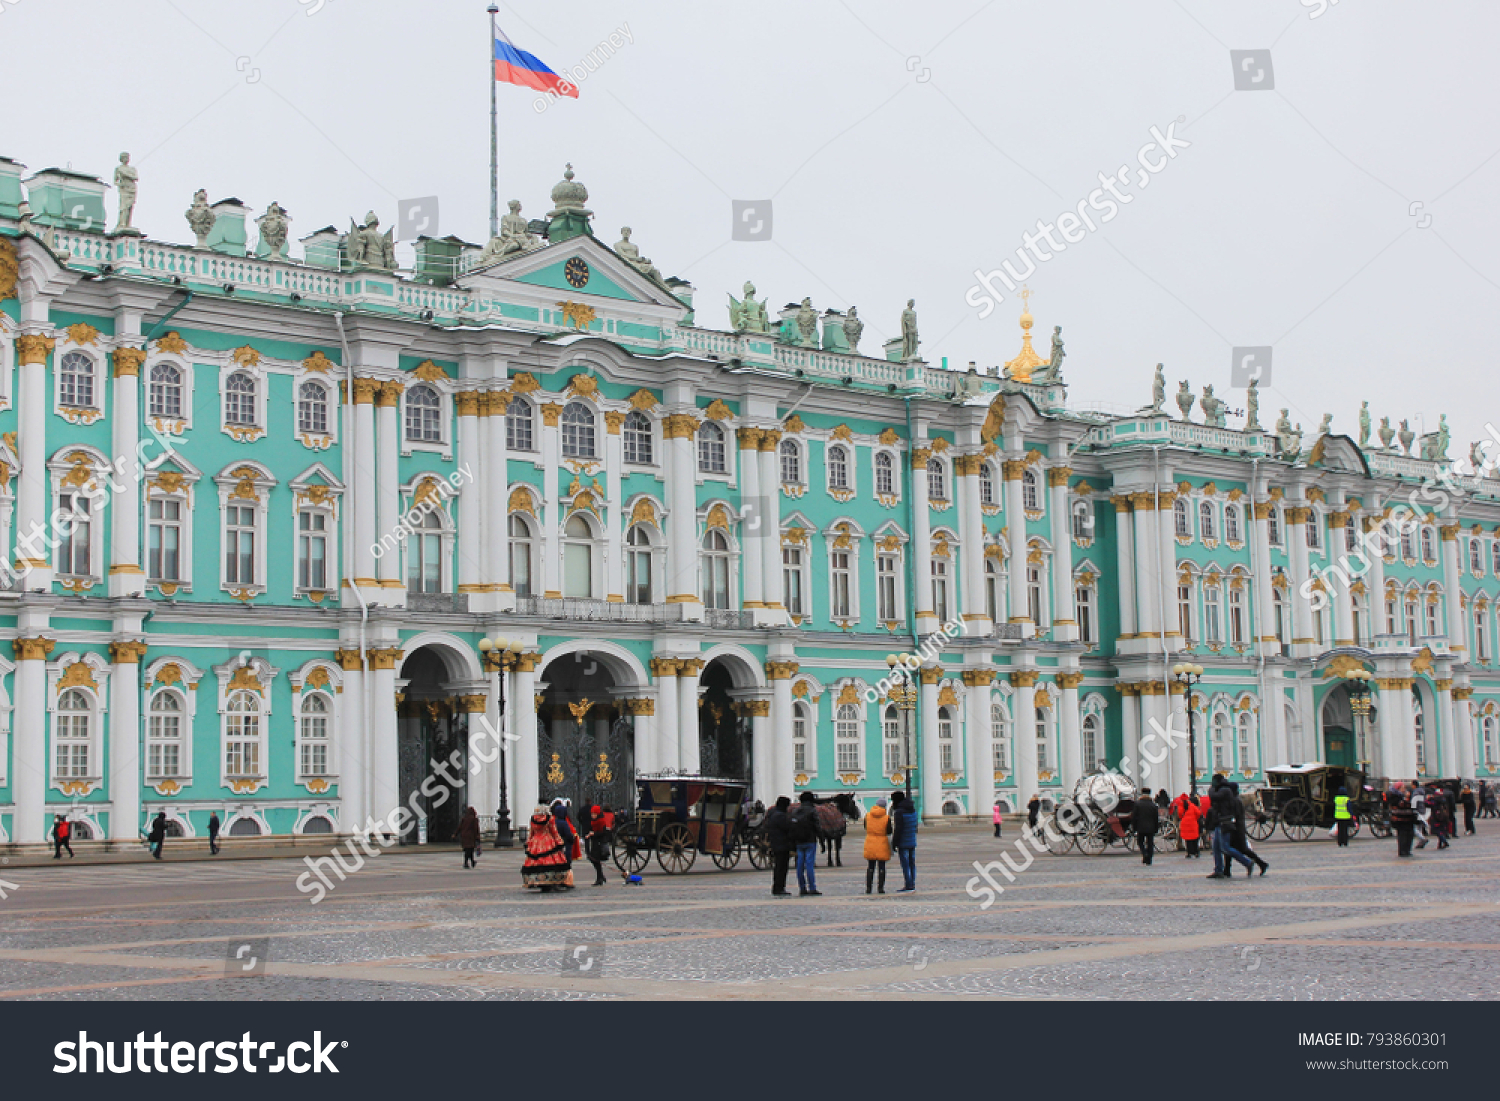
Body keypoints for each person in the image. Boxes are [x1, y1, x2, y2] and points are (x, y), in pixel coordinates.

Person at [1207, 777, 1255, 879]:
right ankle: (1218, 870)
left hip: (1225, 822)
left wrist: (1210, 789)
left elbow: (1214, 797)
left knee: (1225, 847)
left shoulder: (1225, 790)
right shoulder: (1223, 790)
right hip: (1219, 821)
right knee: (1216, 848)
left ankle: (1247, 862)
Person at [522, 806, 571, 891]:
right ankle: (551, 880)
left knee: (536, 861)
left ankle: (537, 880)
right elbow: (554, 831)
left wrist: (528, 843)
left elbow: (531, 833)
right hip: (547, 841)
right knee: (552, 860)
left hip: (536, 842)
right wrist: (559, 842)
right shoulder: (549, 819)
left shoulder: (533, 819)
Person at [791, 792, 821, 896]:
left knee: (799, 865)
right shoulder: (812, 811)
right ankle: (812, 887)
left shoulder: (795, 811)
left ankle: (802, 887)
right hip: (810, 840)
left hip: (798, 841)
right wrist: (821, 838)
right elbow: (817, 826)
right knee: (809, 865)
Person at [765, 796, 793, 897]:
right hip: (782, 844)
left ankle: (778, 887)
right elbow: (787, 828)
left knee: (778, 867)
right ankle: (779, 887)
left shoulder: (773, 814)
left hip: (776, 843)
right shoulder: (780, 816)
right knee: (782, 867)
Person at [863, 796, 893, 894]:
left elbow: (865, 827)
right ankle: (880, 888)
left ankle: (868, 888)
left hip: (870, 842)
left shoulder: (867, 816)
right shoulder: (886, 818)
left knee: (870, 866)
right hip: (882, 843)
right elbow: (889, 831)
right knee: (881, 867)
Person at [891, 790, 919, 892]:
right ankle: (912, 883)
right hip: (912, 840)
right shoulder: (913, 810)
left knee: (905, 864)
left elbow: (898, 829)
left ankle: (908, 884)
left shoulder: (899, 812)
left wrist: (894, 843)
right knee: (912, 863)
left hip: (903, 841)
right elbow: (915, 826)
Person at [584, 804, 612, 886]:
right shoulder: (593, 821)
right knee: (593, 859)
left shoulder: (601, 821)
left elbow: (603, 833)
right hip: (595, 843)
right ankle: (601, 876)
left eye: (594, 814)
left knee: (596, 860)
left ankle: (599, 878)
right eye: (592, 814)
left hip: (599, 844)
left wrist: (593, 834)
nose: (593, 816)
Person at [1131, 789, 1159, 865]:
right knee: (1150, 843)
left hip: (1141, 827)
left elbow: (1134, 817)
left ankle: (1144, 853)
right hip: (1151, 827)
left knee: (1140, 842)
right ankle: (1149, 858)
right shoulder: (1153, 805)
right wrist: (1156, 828)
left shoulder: (1137, 804)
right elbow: (1156, 818)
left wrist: (1134, 827)